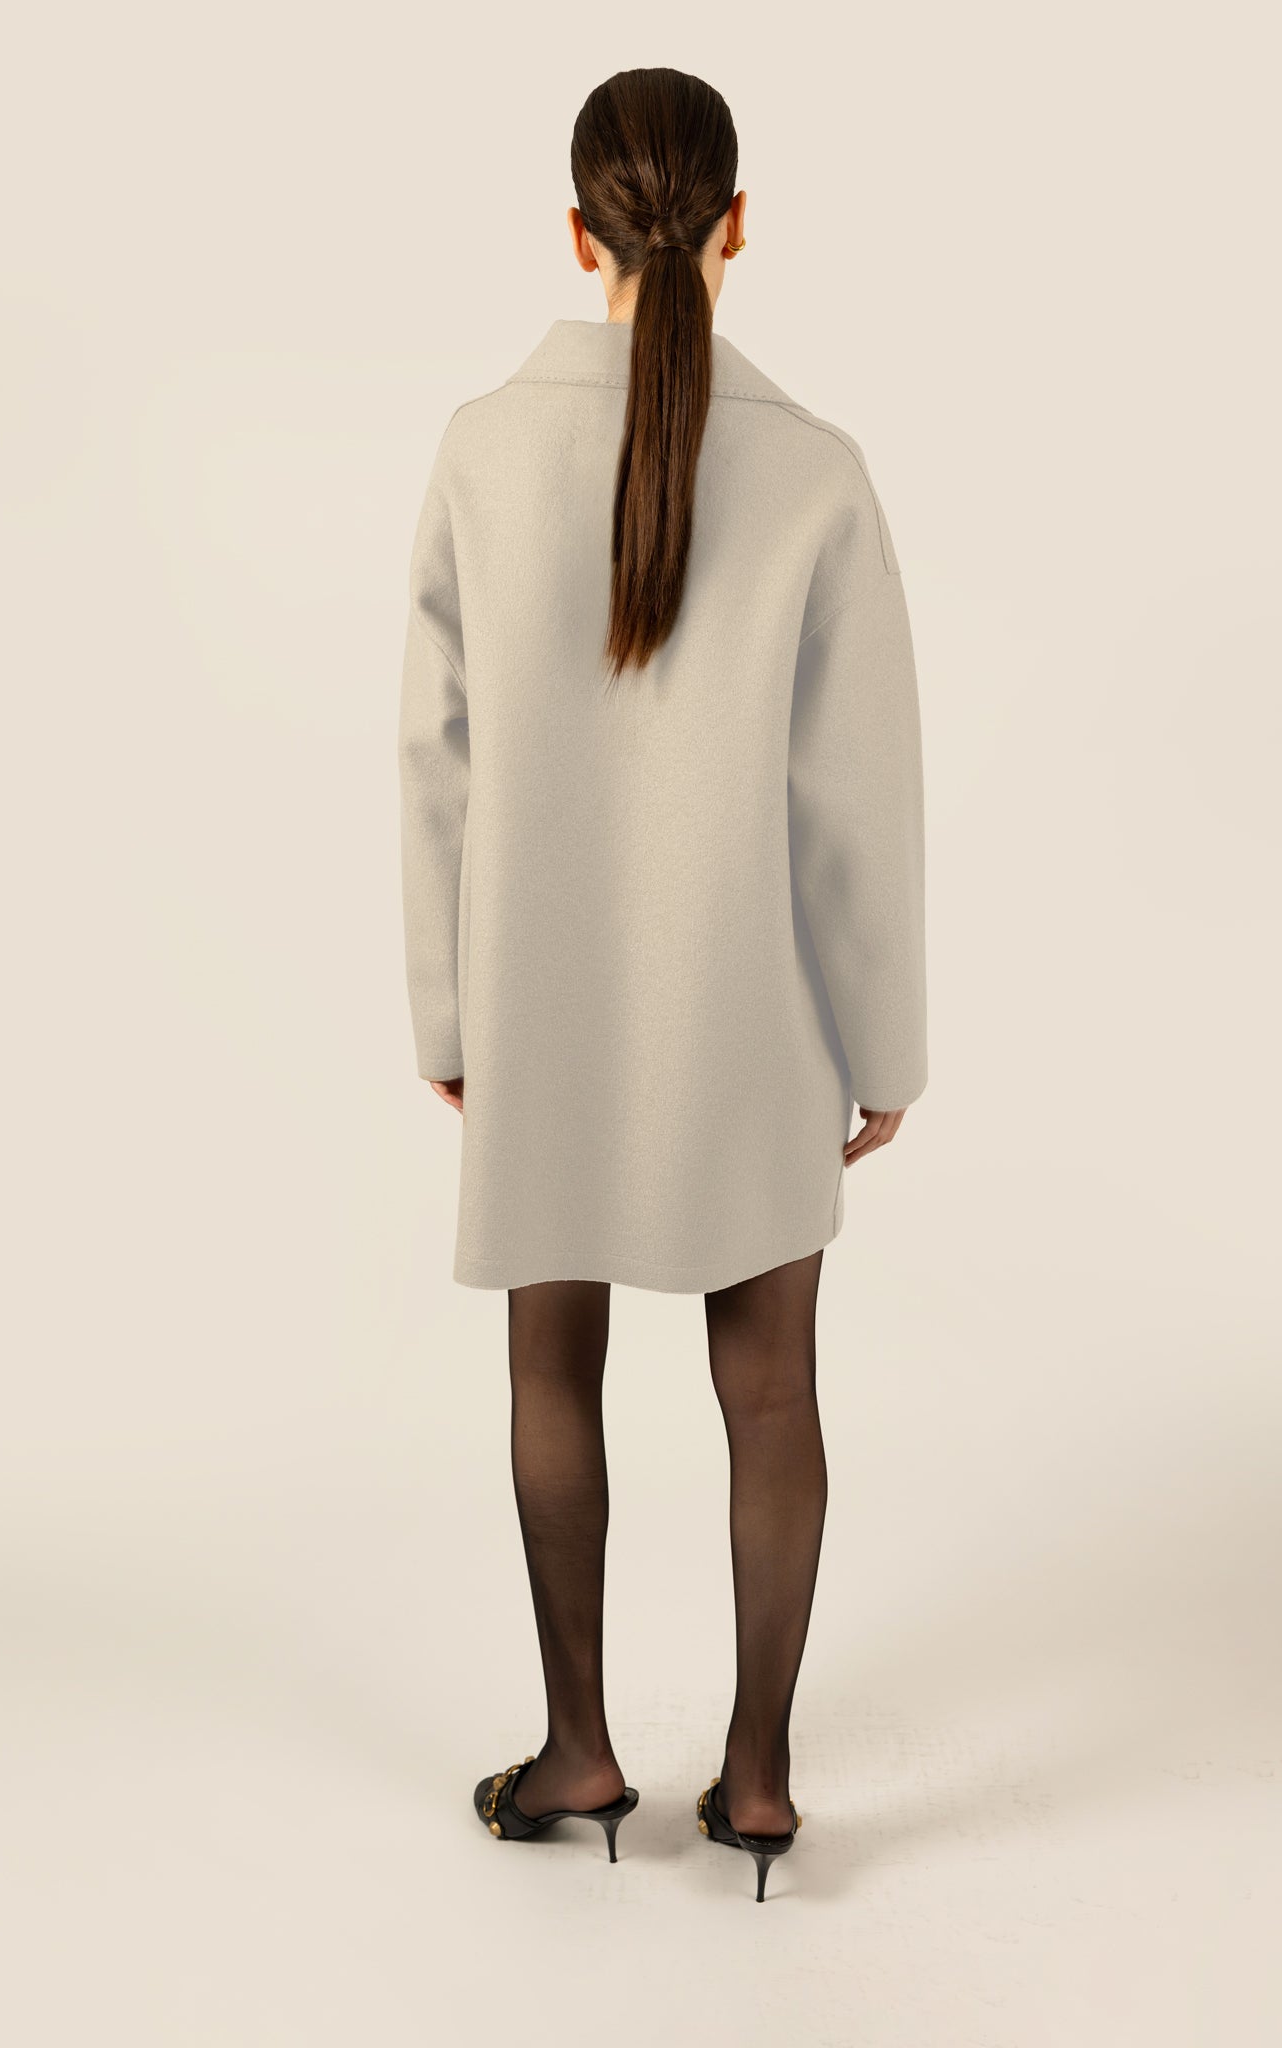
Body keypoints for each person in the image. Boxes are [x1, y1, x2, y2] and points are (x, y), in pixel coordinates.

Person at [397, 66, 927, 1901]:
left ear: (577, 237)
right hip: (752, 1014)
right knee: (769, 1389)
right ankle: (759, 1780)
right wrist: (885, 1043)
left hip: (539, 999)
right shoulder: (820, 470)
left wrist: (447, 1011)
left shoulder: (481, 448)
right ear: (738, 226)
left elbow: (437, 758)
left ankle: (580, 1752)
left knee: (553, 1361)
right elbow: (857, 798)